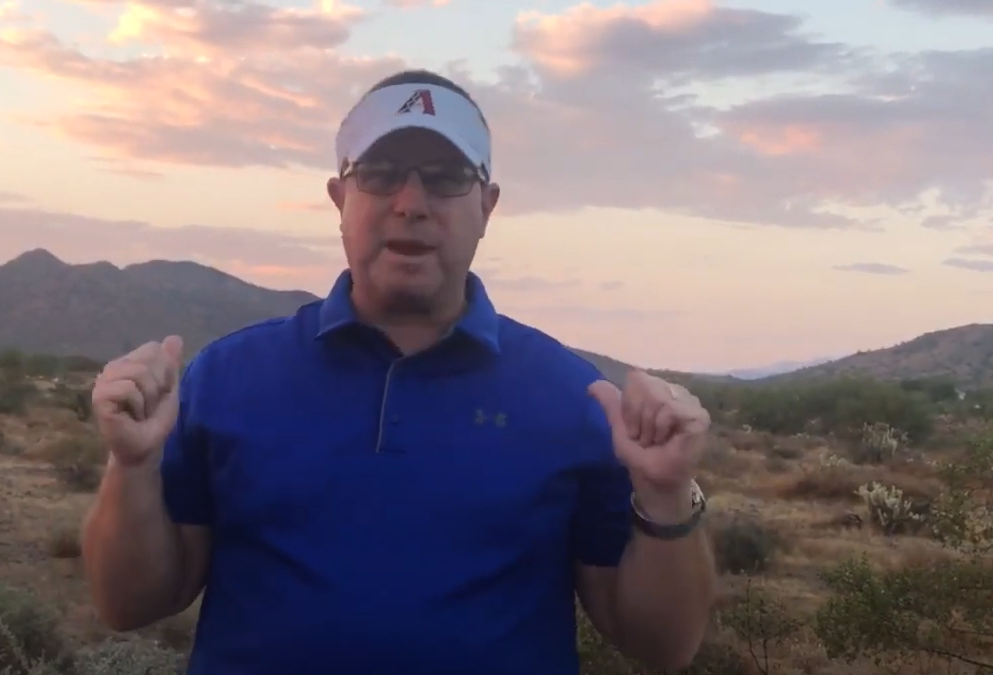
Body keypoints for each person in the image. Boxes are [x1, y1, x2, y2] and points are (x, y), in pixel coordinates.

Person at [81, 69, 718, 675]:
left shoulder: (574, 398)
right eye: (380, 174)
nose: (411, 203)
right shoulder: (226, 377)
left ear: (487, 206)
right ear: (340, 199)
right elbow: (128, 604)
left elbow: (663, 646)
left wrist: (665, 495)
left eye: (446, 178)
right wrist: (131, 467)